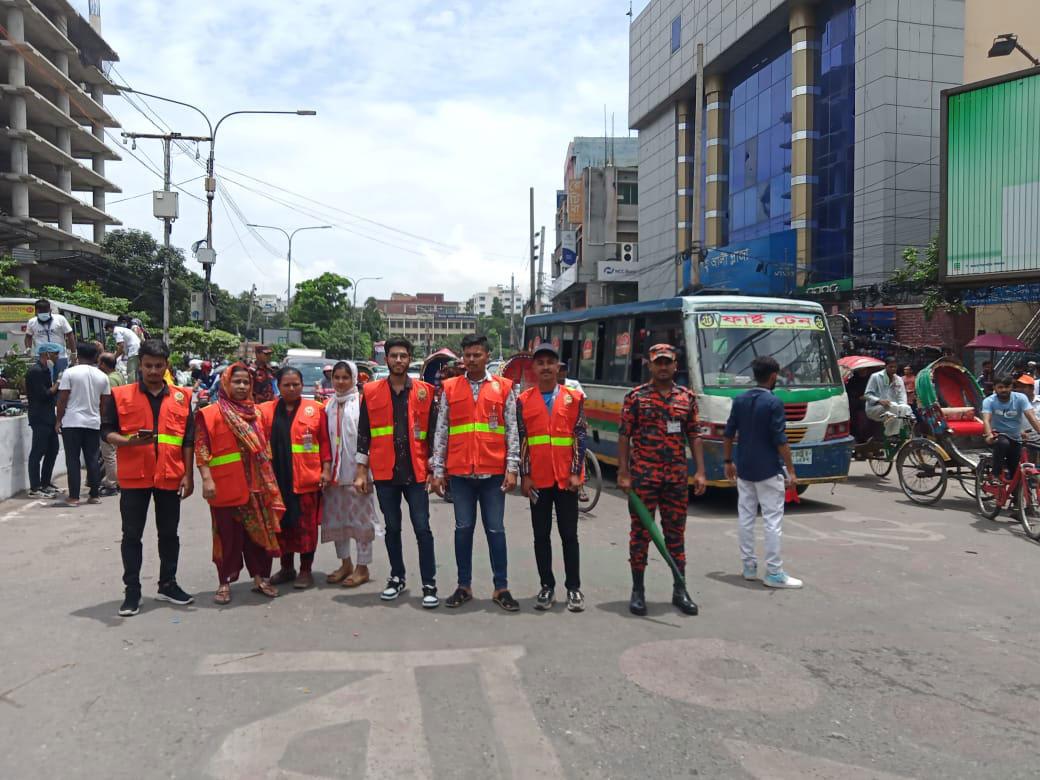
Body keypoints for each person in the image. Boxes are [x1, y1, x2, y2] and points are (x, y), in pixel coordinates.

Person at [101, 339, 195, 617]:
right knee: (131, 536)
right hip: (134, 478)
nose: (153, 370)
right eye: (148, 365)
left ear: (167, 365)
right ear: (139, 365)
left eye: (159, 365)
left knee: (169, 535)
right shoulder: (120, 395)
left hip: (169, 476)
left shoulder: (182, 396)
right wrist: (127, 442)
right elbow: (105, 430)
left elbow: (187, 439)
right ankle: (132, 591)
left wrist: (188, 475)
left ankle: (168, 584)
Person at [430, 333, 520, 612]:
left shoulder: (504, 388)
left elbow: (512, 430)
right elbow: (441, 430)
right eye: (467, 355)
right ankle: (463, 586)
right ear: (462, 357)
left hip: (493, 473)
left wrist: (513, 467)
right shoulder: (449, 388)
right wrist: (438, 469)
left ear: (487, 356)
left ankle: (501, 587)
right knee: (463, 529)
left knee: (496, 530)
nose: (472, 359)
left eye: (477, 354)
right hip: (461, 475)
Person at [617, 343, 706, 617]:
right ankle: (638, 591)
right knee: (640, 536)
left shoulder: (686, 398)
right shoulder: (636, 398)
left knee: (675, 536)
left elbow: (694, 435)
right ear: (650, 365)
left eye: (668, 362)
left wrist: (700, 471)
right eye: (659, 362)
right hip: (644, 479)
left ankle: (680, 589)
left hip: (676, 480)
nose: (664, 366)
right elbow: (624, 435)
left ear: (675, 365)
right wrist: (623, 472)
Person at [354, 338, 440, 608]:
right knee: (392, 528)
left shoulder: (426, 392)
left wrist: (435, 469)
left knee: (422, 528)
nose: (399, 360)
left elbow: (436, 434)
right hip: (385, 473)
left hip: (416, 472)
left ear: (410, 358)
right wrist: (361, 471)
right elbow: (364, 434)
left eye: (403, 356)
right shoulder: (370, 392)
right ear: (386, 359)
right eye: (394, 356)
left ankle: (429, 583)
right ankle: (397, 577)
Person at [196, 364, 285, 603]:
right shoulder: (211, 413)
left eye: (246, 382)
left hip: (257, 486)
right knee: (227, 537)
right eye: (237, 382)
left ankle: (260, 578)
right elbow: (202, 449)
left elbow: (265, 447)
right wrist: (207, 480)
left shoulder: (258, 413)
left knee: (259, 536)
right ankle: (224, 581)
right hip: (225, 486)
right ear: (225, 383)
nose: (242, 386)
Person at [722, 355, 802, 590]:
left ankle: (749, 567)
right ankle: (774, 572)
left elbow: (728, 434)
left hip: (744, 468)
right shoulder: (774, 403)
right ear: (773, 376)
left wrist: (728, 461)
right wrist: (791, 470)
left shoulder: (739, 400)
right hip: (768, 469)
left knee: (746, 518)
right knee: (772, 522)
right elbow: (780, 439)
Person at [518, 343, 587, 612]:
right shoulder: (523, 400)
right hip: (538, 481)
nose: (545, 367)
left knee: (569, 535)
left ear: (558, 367)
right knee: (540, 536)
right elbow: (523, 440)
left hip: (566, 480)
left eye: (550, 362)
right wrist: (525, 475)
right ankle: (546, 586)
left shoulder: (574, 398)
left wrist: (576, 472)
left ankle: (574, 588)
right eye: (540, 362)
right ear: (534, 368)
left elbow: (579, 437)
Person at [261, 367, 332, 590]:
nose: (292, 389)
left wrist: (326, 469)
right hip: (277, 479)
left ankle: (305, 570)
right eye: (286, 385)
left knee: (306, 527)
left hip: (306, 479)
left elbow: (325, 442)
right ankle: (286, 568)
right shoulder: (265, 411)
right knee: (282, 527)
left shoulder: (316, 409)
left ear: (303, 385)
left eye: (296, 384)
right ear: (278, 386)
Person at [324, 361, 382, 589]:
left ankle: (362, 567)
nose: (339, 382)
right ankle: (345, 563)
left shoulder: (361, 404)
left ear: (355, 379)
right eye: (336, 377)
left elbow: (369, 439)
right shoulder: (328, 405)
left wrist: (364, 470)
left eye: (345, 378)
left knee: (361, 523)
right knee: (338, 521)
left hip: (359, 474)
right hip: (335, 476)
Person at [54, 342, 110, 507]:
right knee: (92, 458)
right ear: (95, 357)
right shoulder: (102, 376)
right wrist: (99, 418)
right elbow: (104, 403)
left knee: (72, 460)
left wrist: (58, 420)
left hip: (72, 421)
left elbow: (62, 399)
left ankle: (74, 497)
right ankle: (94, 494)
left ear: (78, 355)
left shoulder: (69, 373)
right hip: (93, 422)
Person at [983, 375, 1040, 479]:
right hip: (997, 435)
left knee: (1015, 472)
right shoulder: (989, 401)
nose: (1004, 390)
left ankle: (1017, 492)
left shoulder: (1020, 398)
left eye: (1007, 387)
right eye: (1000, 387)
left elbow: (1031, 416)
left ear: (1011, 387)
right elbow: (986, 420)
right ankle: (996, 473)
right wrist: (989, 435)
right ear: (995, 388)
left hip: (1016, 437)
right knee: (1003, 443)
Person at [25, 343, 61, 498]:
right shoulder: (36, 372)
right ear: (46, 354)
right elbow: (44, 394)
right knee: (38, 452)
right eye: (55, 354)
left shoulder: (46, 370)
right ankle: (35, 487)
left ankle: (45, 483)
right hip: (39, 416)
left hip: (48, 416)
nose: (57, 357)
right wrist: (58, 384)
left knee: (53, 449)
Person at [97, 352, 126, 497]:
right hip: (120, 418)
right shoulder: (119, 375)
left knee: (109, 453)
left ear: (103, 364)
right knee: (114, 453)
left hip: (110, 420)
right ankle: (117, 480)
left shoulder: (109, 380)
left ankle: (112, 483)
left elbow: (107, 402)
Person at [24, 299, 76, 374]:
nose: (43, 314)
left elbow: (70, 335)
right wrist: (28, 348)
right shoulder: (32, 322)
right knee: (45, 378)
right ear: (36, 312)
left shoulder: (60, 319)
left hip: (60, 356)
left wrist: (73, 352)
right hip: (41, 357)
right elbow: (28, 336)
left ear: (50, 310)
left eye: (45, 311)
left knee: (61, 378)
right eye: (40, 312)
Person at [864, 357, 913, 437]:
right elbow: (867, 395)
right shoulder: (876, 377)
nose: (893, 369)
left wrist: (903, 408)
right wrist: (879, 401)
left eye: (895, 367)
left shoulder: (899, 379)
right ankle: (891, 435)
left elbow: (902, 396)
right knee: (893, 408)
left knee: (905, 408)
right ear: (885, 367)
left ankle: (903, 435)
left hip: (893, 407)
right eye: (891, 367)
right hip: (875, 408)